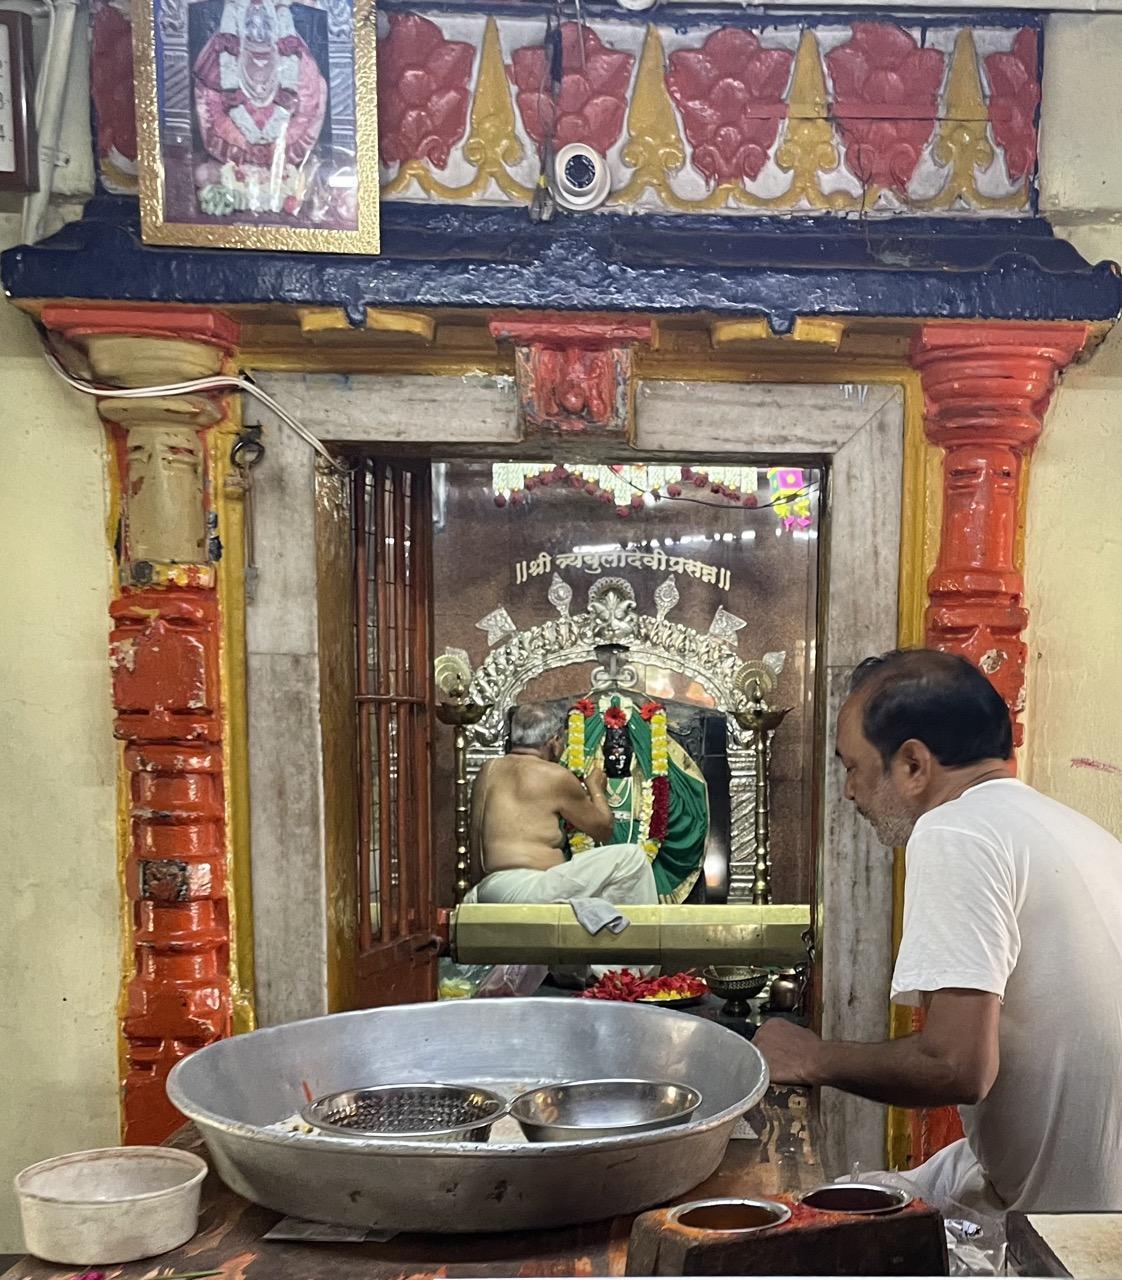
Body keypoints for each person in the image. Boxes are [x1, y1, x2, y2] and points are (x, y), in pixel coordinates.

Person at [755, 648, 1122, 1215]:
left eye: (853, 768)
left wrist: (811, 1057)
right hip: (1065, 1196)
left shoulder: (956, 831)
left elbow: (956, 1066)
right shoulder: (1078, 832)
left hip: (1070, 1239)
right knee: (844, 1202)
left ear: (912, 765)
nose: (850, 793)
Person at [464, 704, 658, 907]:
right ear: (554, 741)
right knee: (631, 858)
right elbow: (603, 829)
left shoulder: (488, 771)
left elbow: (475, 836)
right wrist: (596, 789)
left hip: (490, 887)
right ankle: (643, 936)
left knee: (599, 903)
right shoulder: (554, 775)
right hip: (531, 889)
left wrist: (478, 895)